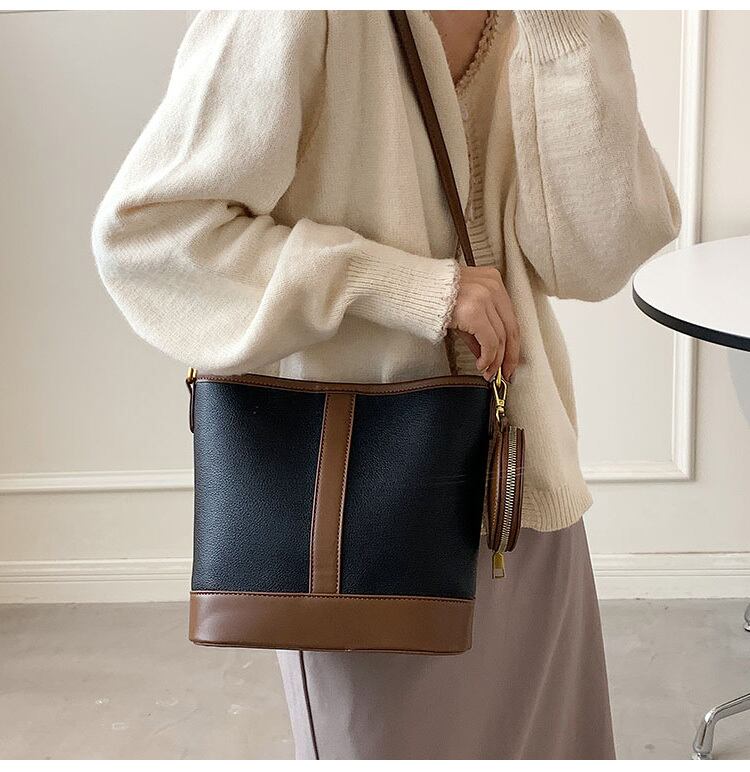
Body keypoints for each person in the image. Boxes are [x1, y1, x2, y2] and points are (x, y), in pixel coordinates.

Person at [91, 10, 681, 760]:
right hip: (358, 512)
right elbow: (150, 239)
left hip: (519, 494)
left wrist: (564, 30)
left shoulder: (537, 22)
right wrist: (404, 286)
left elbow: (596, 260)